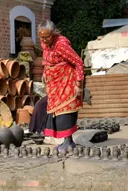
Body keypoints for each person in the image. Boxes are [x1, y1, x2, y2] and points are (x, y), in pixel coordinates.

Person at [37, 20, 84, 151]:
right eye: (42, 37)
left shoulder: (61, 45)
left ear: (54, 34)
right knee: (56, 112)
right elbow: (46, 60)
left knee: (65, 111)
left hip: (67, 81)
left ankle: (69, 141)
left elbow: (79, 62)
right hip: (54, 84)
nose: (45, 40)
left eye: (47, 37)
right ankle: (66, 141)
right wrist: (45, 74)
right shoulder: (44, 44)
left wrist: (78, 84)